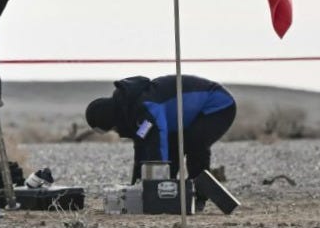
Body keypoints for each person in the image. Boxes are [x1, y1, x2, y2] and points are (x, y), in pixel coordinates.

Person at [85, 74, 237, 188]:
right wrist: (136, 187)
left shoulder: (145, 106)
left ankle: (199, 195)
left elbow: (158, 139)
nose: (116, 131)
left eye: (112, 128)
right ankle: (176, 193)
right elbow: (141, 149)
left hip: (218, 105)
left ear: (112, 119)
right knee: (173, 147)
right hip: (191, 116)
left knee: (194, 145)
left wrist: (158, 185)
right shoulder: (131, 114)